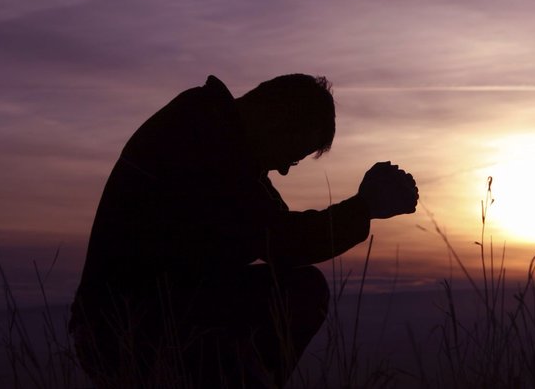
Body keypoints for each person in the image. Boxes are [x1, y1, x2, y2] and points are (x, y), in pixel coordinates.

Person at [69, 74, 418, 388]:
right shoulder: (203, 136)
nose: (282, 169)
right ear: (275, 118)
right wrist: (364, 207)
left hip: (146, 319)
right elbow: (280, 240)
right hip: (128, 331)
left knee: (298, 289)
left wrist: (362, 208)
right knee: (300, 292)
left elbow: (276, 226)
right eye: (292, 156)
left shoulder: (217, 135)